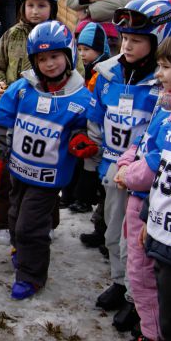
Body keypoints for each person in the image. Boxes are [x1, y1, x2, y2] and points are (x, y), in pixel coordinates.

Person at [85, 0, 171, 332]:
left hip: (146, 177)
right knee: (112, 232)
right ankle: (120, 283)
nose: (127, 46)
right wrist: (91, 152)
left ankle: (138, 303)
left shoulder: (165, 85)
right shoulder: (108, 72)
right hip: (113, 168)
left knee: (135, 242)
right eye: (124, 39)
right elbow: (96, 115)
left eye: (136, 40)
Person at [0, 21, 92, 300]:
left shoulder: (81, 98)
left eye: (55, 57)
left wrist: (80, 140)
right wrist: (0, 154)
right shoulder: (22, 89)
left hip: (47, 179)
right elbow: (3, 122)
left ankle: (31, 276)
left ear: (68, 56)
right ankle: (20, 249)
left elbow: (85, 130)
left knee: (30, 227)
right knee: (14, 217)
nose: (49, 64)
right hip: (18, 169)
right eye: (42, 59)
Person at [113, 32, 171, 341]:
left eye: (166, 67)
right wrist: (128, 159)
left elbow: (155, 165)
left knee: (143, 274)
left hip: (152, 207)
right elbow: (143, 144)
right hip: (151, 208)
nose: (159, 74)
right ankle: (150, 325)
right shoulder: (167, 105)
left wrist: (125, 173)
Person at [0, 0, 59, 243]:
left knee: (44, 171)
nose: (35, 11)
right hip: (12, 115)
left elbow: (75, 74)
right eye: (30, 5)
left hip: (47, 119)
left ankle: (47, 221)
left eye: (42, 5)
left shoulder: (61, 36)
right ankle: (3, 221)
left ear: (52, 7)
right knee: (6, 170)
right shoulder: (11, 35)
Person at [66, 22, 111, 216]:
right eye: (80, 49)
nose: (83, 54)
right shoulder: (85, 67)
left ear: (100, 50)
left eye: (88, 49)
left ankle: (85, 200)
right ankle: (74, 196)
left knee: (90, 164)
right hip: (84, 121)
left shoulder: (101, 71)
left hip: (96, 125)